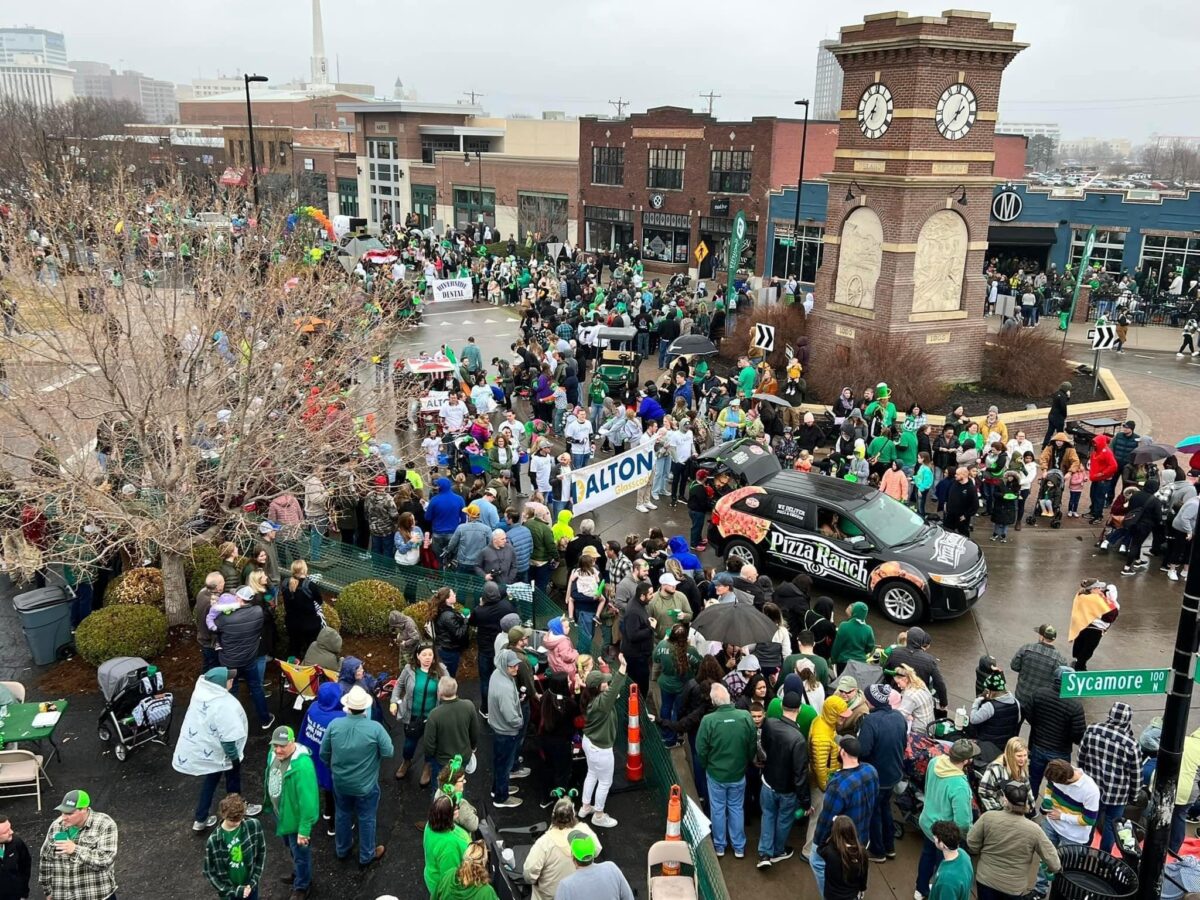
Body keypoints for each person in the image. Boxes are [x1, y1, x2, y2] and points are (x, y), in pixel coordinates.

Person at [173, 667, 262, 832]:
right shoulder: (223, 706)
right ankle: (239, 808)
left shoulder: (202, 696)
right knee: (233, 781)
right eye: (229, 679)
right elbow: (228, 738)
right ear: (220, 685)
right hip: (224, 754)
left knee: (210, 781)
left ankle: (200, 818)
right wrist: (234, 759)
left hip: (209, 753)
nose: (232, 680)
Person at [968, 780, 1061, 900]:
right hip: (1013, 887)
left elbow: (971, 842)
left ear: (1005, 800)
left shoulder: (988, 817)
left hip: (986, 879)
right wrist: (1049, 870)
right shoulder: (1034, 830)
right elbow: (1055, 864)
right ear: (1026, 802)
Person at [809, 736, 878, 895]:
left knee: (816, 862)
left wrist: (818, 844)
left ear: (843, 752)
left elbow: (826, 819)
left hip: (843, 843)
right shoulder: (871, 770)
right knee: (856, 868)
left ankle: (829, 895)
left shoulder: (838, 784)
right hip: (862, 836)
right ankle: (858, 892)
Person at [915, 740, 979, 900]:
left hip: (927, 822)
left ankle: (920, 889)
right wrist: (965, 837)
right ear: (966, 760)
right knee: (943, 865)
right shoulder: (960, 786)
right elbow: (963, 822)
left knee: (926, 856)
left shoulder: (935, 761)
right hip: (945, 834)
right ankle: (935, 889)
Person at [757, 690, 812, 869]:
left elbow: (764, 747)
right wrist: (805, 803)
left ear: (781, 706)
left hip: (767, 782)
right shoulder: (798, 739)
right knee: (784, 820)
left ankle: (764, 853)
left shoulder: (770, 724)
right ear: (800, 710)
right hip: (787, 790)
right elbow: (800, 775)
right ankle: (778, 851)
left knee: (768, 815)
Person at [1077, 701, 1141, 853]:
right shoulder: (1131, 744)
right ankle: (1104, 855)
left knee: (1089, 819)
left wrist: (1082, 778)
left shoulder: (1092, 730)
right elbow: (1136, 775)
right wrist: (1134, 796)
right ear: (1127, 720)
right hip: (1117, 794)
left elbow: (1081, 757)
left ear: (1110, 715)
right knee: (1112, 825)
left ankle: (1083, 850)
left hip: (1092, 787)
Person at [264, 726, 320, 900]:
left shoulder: (302, 766)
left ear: (292, 742)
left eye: (282, 745)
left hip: (295, 820)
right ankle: (298, 873)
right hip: (281, 815)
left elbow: (309, 801)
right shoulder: (273, 754)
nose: (278, 750)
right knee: (291, 848)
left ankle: (302, 885)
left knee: (301, 852)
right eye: (275, 745)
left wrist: (304, 829)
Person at [1033, 759, 1100, 897]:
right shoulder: (1057, 772)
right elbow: (1049, 787)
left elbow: (1089, 820)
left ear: (1066, 780)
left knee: (1065, 868)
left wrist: (1062, 816)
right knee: (1044, 859)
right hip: (1051, 825)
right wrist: (1047, 799)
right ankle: (1039, 890)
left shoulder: (1090, 790)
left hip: (1073, 836)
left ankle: (1059, 894)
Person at [38, 790, 119, 900]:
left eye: (69, 813)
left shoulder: (105, 824)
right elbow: (46, 859)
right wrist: (48, 890)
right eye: (62, 812)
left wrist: (75, 849)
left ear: (84, 809)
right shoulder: (56, 826)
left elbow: (105, 860)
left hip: (96, 896)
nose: (64, 817)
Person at [857, 684, 907, 863]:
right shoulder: (899, 717)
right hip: (894, 774)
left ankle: (878, 851)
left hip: (876, 777)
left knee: (873, 813)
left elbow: (863, 750)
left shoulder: (871, 721)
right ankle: (889, 846)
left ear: (871, 701)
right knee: (885, 808)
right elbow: (904, 742)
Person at [581, 654, 630, 828]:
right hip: (601, 748)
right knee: (605, 782)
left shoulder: (590, 697)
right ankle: (599, 815)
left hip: (589, 742)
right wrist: (623, 667)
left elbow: (609, 687)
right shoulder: (602, 703)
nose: (607, 683)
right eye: (604, 682)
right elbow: (615, 687)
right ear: (598, 687)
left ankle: (586, 806)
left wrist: (604, 669)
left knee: (592, 773)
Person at [215, 590, 274, 732]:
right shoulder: (258, 612)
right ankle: (265, 719)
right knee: (256, 688)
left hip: (229, 662)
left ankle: (233, 723)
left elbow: (214, 626)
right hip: (249, 660)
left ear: (240, 600)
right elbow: (269, 612)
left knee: (232, 691)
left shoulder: (224, 619)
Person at [523, 798, 602, 900]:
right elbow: (596, 850)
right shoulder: (584, 831)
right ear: (573, 815)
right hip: (577, 892)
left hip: (550, 896)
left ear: (553, 816)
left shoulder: (544, 843)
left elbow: (529, 874)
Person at [391, 645, 447, 784]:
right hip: (412, 716)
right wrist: (393, 701)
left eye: (430, 654)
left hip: (432, 718)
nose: (428, 658)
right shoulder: (409, 669)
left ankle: (427, 766)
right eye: (424, 655)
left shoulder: (441, 670)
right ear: (417, 656)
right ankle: (406, 761)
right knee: (409, 744)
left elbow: (449, 687)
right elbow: (399, 685)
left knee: (430, 745)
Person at [1027, 666, 1086, 795]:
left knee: (1033, 779)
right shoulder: (1075, 705)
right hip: (1060, 752)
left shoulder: (1039, 694)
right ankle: (1050, 810)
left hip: (1038, 745)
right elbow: (1078, 735)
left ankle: (1029, 808)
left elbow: (1029, 715)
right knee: (1058, 784)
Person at [203, 794, 266, 900]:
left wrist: (253, 881)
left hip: (250, 886)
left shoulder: (253, 826)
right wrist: (232, 891)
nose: (237, 823)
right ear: (223, 815)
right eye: (232, 820)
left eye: (240, 819)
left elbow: (261, 852)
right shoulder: (213, 841)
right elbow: (209, 871)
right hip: (229, 894)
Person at [423, 677, 480, 791]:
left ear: (440, 693)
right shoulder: (468, 706)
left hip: (442, 760)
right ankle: (457, 805)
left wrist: (431, 756)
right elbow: (475, 731)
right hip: (463, 757)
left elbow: (429, 744)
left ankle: (441, 807)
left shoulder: (435, 714)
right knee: (459, 785)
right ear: (456, 689)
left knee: (440, 788)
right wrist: (472, 748)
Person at [488, 648, 525, 808]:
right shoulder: (505, 688)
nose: (515, 668)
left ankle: (497, 788)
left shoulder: (497, 674)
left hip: (498, 729)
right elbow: (511, 717)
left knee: (499, 762)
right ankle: (501, 798)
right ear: (505, 666)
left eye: (516, 665)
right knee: (505, 765)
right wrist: (519, 722)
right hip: (507, 732)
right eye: (512, 666)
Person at [552, 830, 635, 900]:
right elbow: (629, 897)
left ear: (573, 857)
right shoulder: (611, 868)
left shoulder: (566, 885)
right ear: (593, 853)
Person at [885, 627, 948, 712]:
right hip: (917, 699)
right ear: (922, 641)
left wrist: (892, 685)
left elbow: (885, 671)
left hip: (897, 694)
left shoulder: (895, 652)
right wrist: (943, 703)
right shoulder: (929, 660)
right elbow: (940, 683)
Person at [1011, 623, 1067, 714]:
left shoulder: (1026, 648)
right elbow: (1060, 681)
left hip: (1022, 696)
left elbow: (1014, 666)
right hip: (1041, 701)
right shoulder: (1060, 659)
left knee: (1016, 723)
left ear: (1042, 637)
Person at [423, 793, 471, 897]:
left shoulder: (430, 825)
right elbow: (450, 880)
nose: (458, 808)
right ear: (448, 816)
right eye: (455, 808)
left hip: (432, 875)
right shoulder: (449, 846)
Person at [968, 672, 1021, 759]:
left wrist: (976, 703)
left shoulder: (989, 706)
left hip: (988, 746)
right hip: (1005, 746)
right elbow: (1017, 721)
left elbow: (973, 719)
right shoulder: (1016, 703)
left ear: (991, 691)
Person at [977, 737, 1035, 814]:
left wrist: (1030, 807)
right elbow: (983, 792)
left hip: (1017, 810)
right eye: (1019, 756)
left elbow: (1027, 788)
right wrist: (998, 812)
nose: (1023, 759)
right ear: (1010, 755)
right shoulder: (995, 769)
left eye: (1025, 755)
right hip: (1000, 811)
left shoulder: (1023, 766)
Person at [281, 560, 324, 665]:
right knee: (311, 648)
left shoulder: (285, 583)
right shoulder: (310, 586)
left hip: (291, 623)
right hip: (310, 624)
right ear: (305, 570)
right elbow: (319, 601)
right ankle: (309, 668)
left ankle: (289, 672)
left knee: (293, 647)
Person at [818, 815, 869, 900]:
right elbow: (864, 875)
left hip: (832, 896)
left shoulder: (830, 852)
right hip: (852, 896)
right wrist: (862, 888)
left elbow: (820, 847)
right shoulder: (861, 852)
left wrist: (830, 826)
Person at [927, 821, 973, 900]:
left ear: (942, 844)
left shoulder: (946, 881)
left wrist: (942, 886)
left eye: (935, 838)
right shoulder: (963, 854)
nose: (933, 839)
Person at [829, 601, 874, 670]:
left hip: (844, 662)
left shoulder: (844, 626)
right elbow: (870, 647)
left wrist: (833, 659)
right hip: (860, 663)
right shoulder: (868, 629)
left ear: (854, 611)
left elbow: (837, 645)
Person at [0, 816, 32, 900]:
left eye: (10, 828)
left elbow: (25, 867)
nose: (11, 832)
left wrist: (24, 894)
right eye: (5, 832)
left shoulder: (16, 843)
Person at [943, 466, 979, 537]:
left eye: (957, 474)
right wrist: (945, 503)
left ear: (964, 475)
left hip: (961, 517)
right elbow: (947, 493)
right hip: (950, 514)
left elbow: (975, 505)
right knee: (947, 532)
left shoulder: (971, 488)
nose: (955, 475)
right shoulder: (953, 482)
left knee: (963, 534)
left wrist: (966, 515)